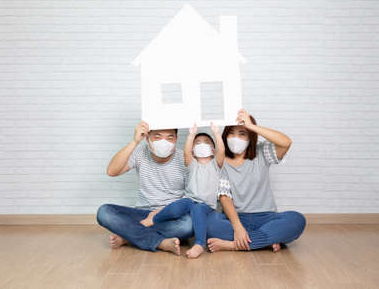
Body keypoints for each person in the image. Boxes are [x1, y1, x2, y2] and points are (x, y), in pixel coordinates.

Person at [206, 109, 306, 252]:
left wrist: (252, 126)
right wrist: (238, 227)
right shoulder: (220, 160)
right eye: (232, 133)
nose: (235, 138)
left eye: (242, 133)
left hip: (266, 217)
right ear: (225, 135)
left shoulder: (262, 152)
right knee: (210, 223)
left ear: (250, 137)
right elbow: (225, 197)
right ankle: (266, 240)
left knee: (297, 220)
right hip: (235, 218)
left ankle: (235, 245)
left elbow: (286, 142)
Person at [96, 121, 192, 255]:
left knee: (187, 225)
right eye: (157, 137)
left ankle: (129, 236)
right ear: (147, 138)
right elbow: (112, 171)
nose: (164, 142)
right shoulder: (141, 152)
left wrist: (161, 212)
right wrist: (134, 142)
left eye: (170, 137)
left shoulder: (185, 158)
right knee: (104, 212)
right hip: (143, 214)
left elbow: (191, 196)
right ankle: (160, 242)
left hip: (170, 215)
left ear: (176, 139)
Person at [140, 122, 224, 258]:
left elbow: (222, 151)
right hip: (189, 200)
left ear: (213, 150)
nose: (202, 144)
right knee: (175, 207)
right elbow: (186, 152)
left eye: (206, 142)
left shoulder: (216, 164)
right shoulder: (191, 164)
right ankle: (154, 219)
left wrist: (216, 134)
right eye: (198, 143)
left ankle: (199, 244)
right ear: (192, 150)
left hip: (206, 205)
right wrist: (191, 135)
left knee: (198, 209)